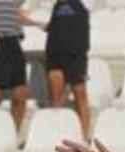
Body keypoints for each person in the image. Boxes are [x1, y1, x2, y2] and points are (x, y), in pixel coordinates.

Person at [0, 0, 39, 130]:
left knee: (21, 94)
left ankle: (13, 135)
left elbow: (17, 14)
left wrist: (37, 23)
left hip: (14, 43)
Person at [39, 0, 90, 138]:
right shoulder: (56, 7)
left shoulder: (80, 7)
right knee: (56, 97)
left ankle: (84, 136)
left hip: (76, 56)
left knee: (80, 94)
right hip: (55, 55)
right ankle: (58, 133)